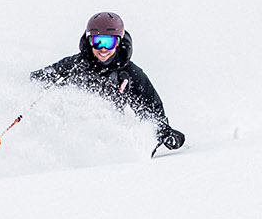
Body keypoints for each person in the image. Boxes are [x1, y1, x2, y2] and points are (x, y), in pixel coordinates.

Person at [31, 12, 185, 150]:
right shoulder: (75, 66)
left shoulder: (130, 74)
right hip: (73, 133)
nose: (103, 49)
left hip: (109, 136)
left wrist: (163, 132)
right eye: (97, 42)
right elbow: (39, 80)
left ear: (118, 42)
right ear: (89, 41)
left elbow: (151, 108)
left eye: (108, 42)